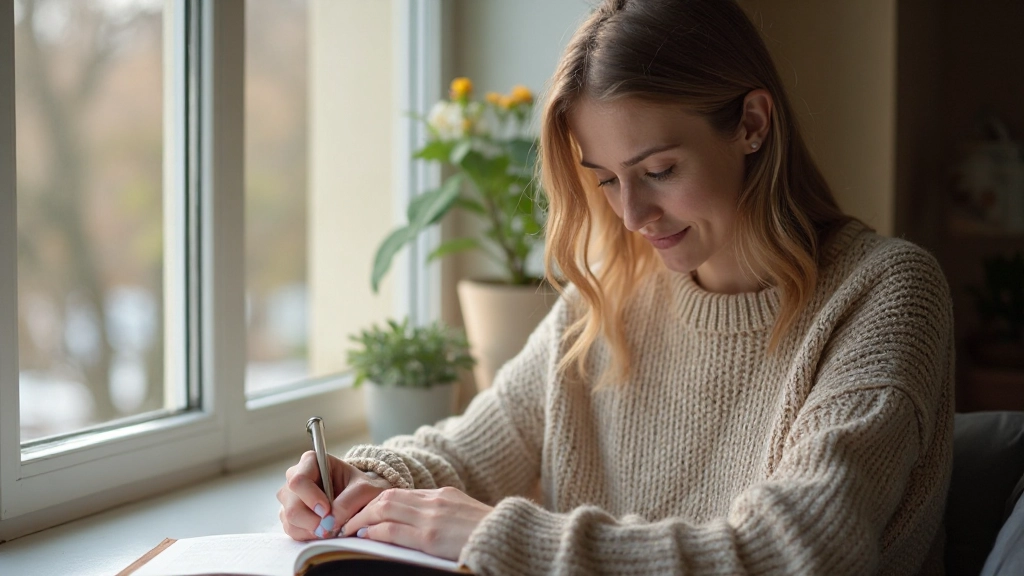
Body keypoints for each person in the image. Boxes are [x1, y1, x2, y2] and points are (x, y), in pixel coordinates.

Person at [277, 0, 954, 574]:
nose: (631, 215)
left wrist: (503, 538)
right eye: (605, 179)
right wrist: (364, 480)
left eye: (658, 170)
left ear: (752, 124)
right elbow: (468, 449)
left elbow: (800, 552)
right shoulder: (609, 300)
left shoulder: (886, 294)